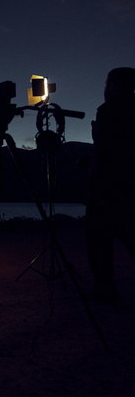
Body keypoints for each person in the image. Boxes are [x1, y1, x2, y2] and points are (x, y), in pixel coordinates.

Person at [86, 67, 135, 304]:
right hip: (129, 186)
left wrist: (101, 186)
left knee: (99, 240)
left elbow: (108, 151)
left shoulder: (109, 111)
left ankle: (104, 289)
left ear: (113, 86)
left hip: (111, 187)